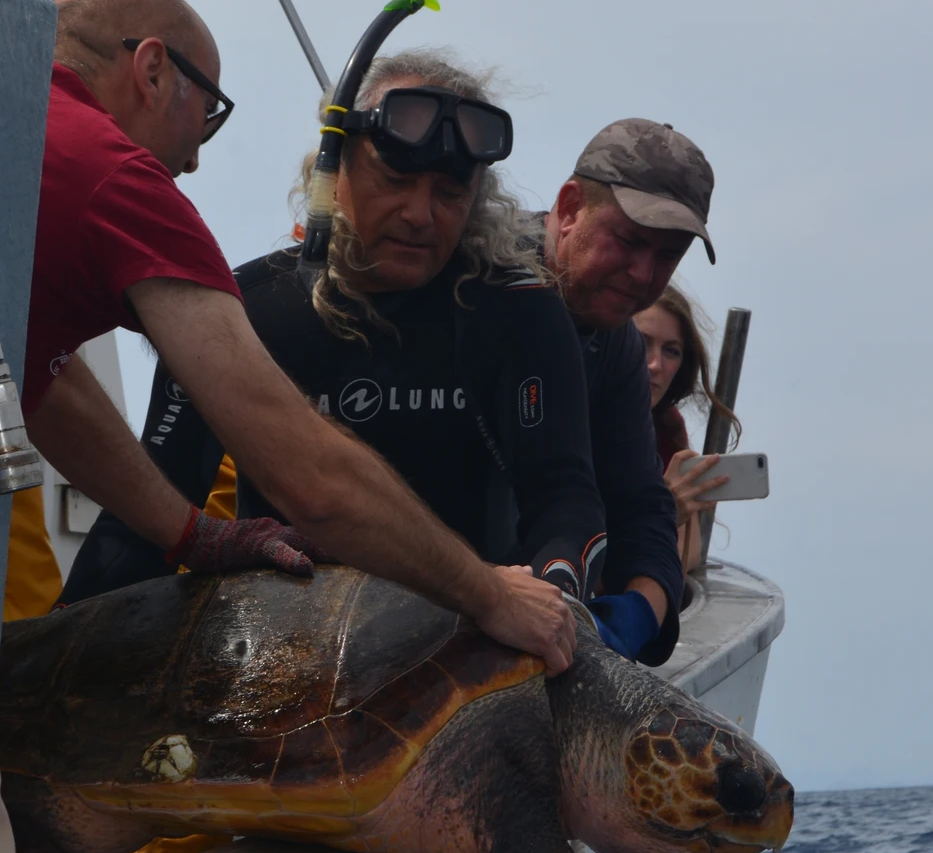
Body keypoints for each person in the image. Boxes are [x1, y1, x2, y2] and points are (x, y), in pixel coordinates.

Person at [0, 0, 577, 853]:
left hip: (452, 723)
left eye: (451, 193)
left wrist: (189, 532)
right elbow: (276, 491)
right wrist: (498, 595)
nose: (198, 155)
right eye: (205, 112)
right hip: (279, 722)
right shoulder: (170, 224)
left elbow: (44, 379)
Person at [66, 51, 605, 605]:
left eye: (449, 193)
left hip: (466, 645)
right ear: (334, 169)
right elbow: (147, 512)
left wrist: (559, 600)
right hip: (276, 651)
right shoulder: (249, 307)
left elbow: (564, 497)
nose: (421, 214)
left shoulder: (518, 310)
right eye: (396, 179)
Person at [537, 118, 719, 665]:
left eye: (668, 257)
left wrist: (636, 616)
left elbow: (642, 506)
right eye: (629, 241)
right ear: (569, 209)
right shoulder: (486, 288)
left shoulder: (615, 342)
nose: (643, 274)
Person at [633, 283, 740, 576]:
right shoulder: (574, 418)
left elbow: (686, 556)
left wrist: (676, 512)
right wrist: (658, 515)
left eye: (671, 351)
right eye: (641, 342)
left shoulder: (666, 427)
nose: (655, 364)